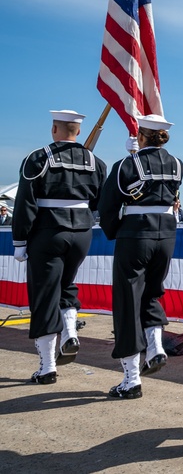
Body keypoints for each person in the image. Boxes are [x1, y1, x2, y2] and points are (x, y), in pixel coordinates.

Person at [11, 110, 106, 384]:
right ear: (77, 131)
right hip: (82, 233)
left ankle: (47, 366)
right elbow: (100, 201)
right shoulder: (96, 162)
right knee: (66, 285)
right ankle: (70, 331)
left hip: (48, 233)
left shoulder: (38, 158)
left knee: (43, 296)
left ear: (55, 128)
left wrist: (19, 240)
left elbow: (25, 203)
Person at [97, 114, 183, 400]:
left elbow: (107, 205)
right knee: (152, 293)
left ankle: (131, 379)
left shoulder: (126, 165)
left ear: (141, 135)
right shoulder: (177, 164)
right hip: (166, 236)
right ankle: (156, 346)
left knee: (127, 302)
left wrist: (116, 232)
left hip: (135, 234)